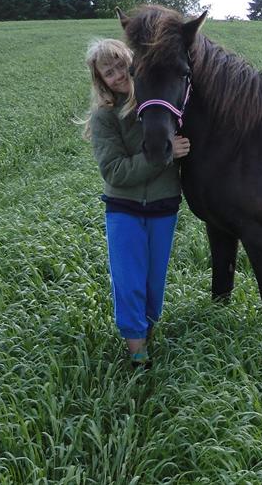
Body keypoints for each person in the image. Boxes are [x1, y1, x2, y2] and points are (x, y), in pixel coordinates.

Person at [80, 38, 190, 369]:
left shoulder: (160, 103)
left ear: (133, 63)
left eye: (120, 66)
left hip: (163, 207)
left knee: (153, 283)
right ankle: (137, 353)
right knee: (128, 282)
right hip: (123, 210)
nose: (117, 75)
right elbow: (114, 171)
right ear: (100, 80)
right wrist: (163, 154)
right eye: (108, 72)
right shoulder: (105, 117)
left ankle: (147, 331)